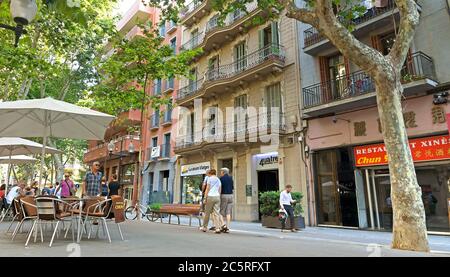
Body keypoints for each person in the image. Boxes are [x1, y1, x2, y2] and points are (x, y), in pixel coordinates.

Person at [200, 169, 224, 234]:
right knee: (216, 213)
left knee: (207, 212)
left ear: (210, 173)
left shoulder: (209, 179)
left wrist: (205, 197)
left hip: (210, 197)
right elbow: (220, 189)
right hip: (217, 197)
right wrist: (218, 195)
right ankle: (217, 228)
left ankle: (204, 227)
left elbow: (207, 188)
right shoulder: (218, 179)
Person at [219, 167, 234, 233]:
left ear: (223, 172)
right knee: (228, 212)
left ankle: (223, 225)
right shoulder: (231, 178)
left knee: (220, 212)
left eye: (221, 172)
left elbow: (220, 188)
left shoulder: (221, 179)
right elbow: (232, 187)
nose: (220, 173)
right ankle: (227, 228)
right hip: (231, 195)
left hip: (224, 195)